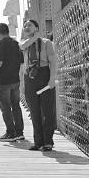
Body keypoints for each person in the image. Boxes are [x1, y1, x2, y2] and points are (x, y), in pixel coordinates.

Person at [20, 19, 58, 151]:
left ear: (36, 28)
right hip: (30, 76)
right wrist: (34, 37)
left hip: (43, 74)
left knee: (47, 110)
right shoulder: (24, 43)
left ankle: (48, 142)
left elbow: (53, 61)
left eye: (30, 25)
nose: (26, 27)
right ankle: (38, 142)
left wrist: (52, 79)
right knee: (34, 111)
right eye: (25, 26)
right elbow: (22, 46)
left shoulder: (46, 43)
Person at [0, 23, 24, 142]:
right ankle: (19, 133)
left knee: (5, 107)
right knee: (16, 106)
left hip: (3, 82)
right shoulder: (16, 44)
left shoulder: (0, 44)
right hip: (15, 81)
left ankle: (10, 133)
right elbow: (21, 62)